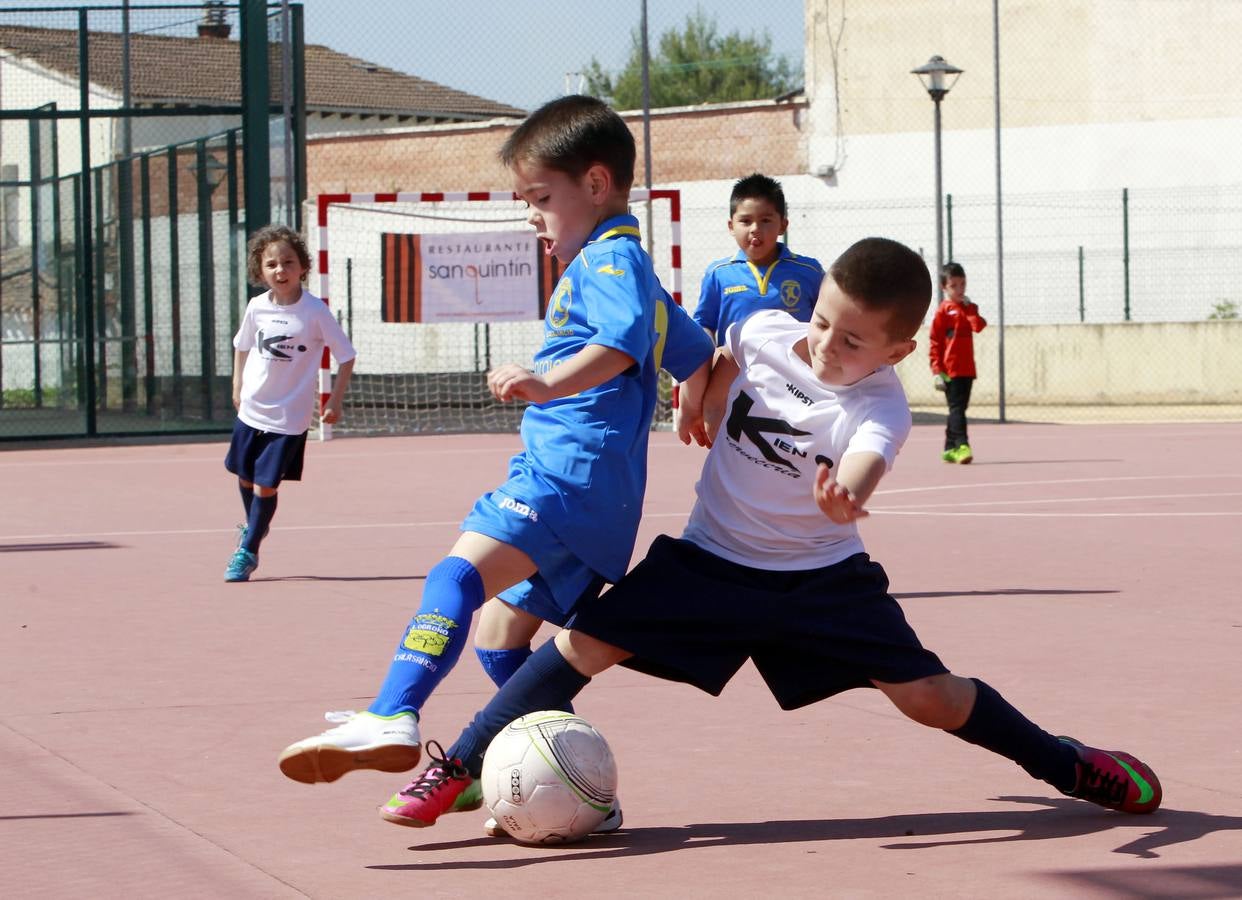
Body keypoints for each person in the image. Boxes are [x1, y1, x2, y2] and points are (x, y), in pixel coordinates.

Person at [379, 237, 1161, 830]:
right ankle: (460, 767)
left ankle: (1068, 764)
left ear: (897, 352)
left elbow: (865, 463)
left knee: (927, 696)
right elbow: (719, 357)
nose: (825, 346)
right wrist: (697, 398)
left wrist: (844, 497)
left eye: (853, 342)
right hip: (710, 563)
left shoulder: (878, 406)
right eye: (823, 321)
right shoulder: (762, 329)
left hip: (820, 580)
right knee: (583, 645)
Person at [275, 95, 715, 833]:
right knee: (501, 639)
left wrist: (547, 383)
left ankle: (391, 714)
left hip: (563, 480)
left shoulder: (609, 257)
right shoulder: (631, 270)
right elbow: (697, 353)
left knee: (455, 578)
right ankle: (573, 786)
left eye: (542, 199)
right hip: (597, 506)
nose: (534, 217)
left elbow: (619, 349)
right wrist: (695, 399)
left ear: (598, 184)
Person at [224, 225, 356, 583]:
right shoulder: (257, 307)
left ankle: (247, 550)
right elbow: (243, 345)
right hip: (252, 407)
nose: (280, 270)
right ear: (260, 271)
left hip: (288, 416)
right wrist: (237, 383)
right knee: (245, 476)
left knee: (267, 485)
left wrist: (335, 400)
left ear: (302, 267)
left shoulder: (315, 311)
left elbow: (346, 355)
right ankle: (255, 525)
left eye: (288, 262)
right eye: (272, 264)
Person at [693, 173, 825, 346]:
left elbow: (827, 321)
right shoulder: (718, 274)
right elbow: (704, 324)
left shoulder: (809, 271)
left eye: (765, 220)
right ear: (731, 226)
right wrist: (709, 357)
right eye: (746, 221)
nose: (755, 229)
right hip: (737, 373)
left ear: (783, 225)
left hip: (796, 372)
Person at [929, 261, 987, 464]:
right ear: (944, 288)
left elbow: (978, 326)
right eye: (954, 286)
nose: (959, 289)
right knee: (957, 409)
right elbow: (935, 341)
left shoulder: (969, 308)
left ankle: (949, 448)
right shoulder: (943, 311)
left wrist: (969, 308)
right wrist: (937, 370)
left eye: (962, 284)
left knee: (959, 408)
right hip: (949, 370)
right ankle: (962, 445)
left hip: (967, 369)